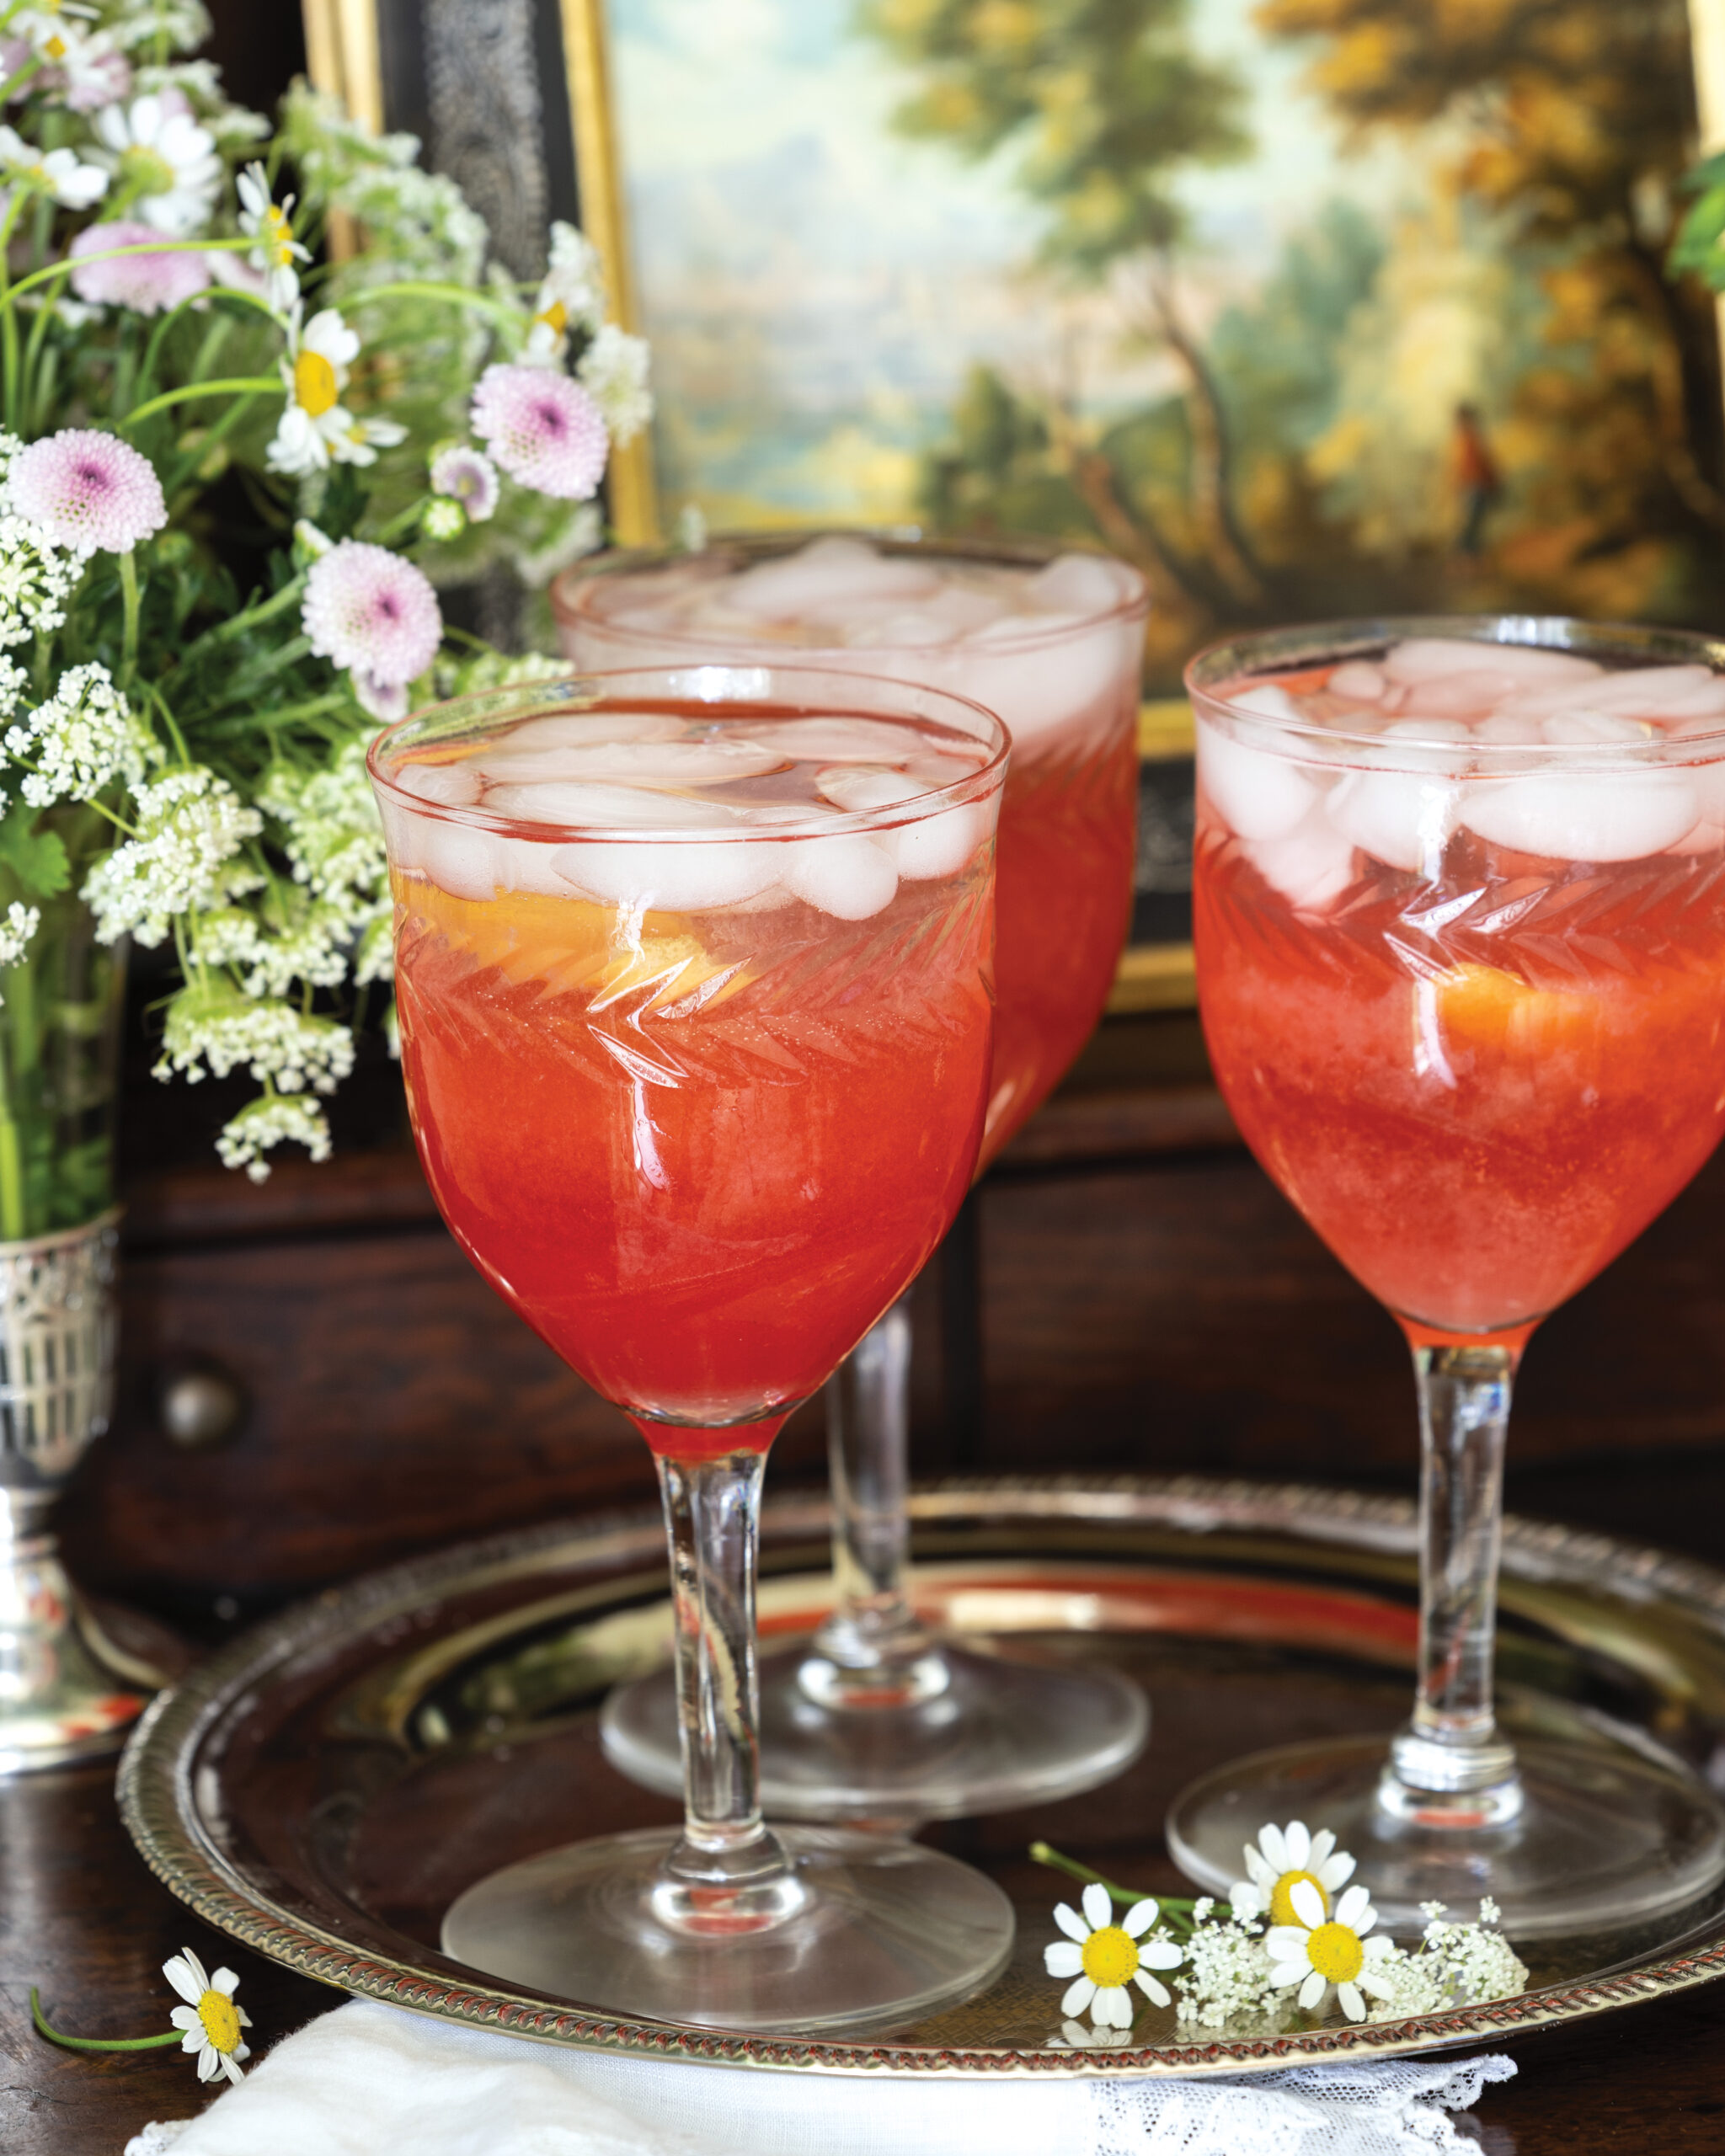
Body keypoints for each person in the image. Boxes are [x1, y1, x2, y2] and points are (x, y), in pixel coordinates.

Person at [1452, 403, 1502, 558]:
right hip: (1474, 486)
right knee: (1472, 524)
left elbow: (1484, 464)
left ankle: (1468, 557)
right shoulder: (1467, 440)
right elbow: (1471, 466)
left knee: (1475, 523)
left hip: (1477, 485)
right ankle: (1465, 557)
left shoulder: (1472, 439)